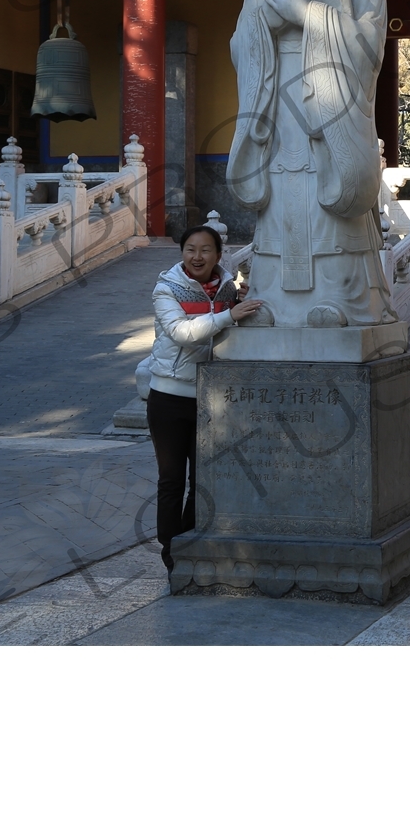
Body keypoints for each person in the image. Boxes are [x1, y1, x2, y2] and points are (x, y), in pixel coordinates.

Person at [225, 0, 397, 330]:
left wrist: (305, 14)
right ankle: (270, 302)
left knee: (331, 213)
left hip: (331, 113)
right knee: (281, 202)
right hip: (278, 116)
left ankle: (343, 301)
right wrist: (266, 23)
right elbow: (240, 45)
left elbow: (369, 49)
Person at [144, 224, 266, 572]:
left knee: (203, 480)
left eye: (205, 250)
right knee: (171, 478)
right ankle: (170, 549)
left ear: (218, 253)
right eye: (190, 250)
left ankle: (191, 543)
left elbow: (227, 330)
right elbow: (182, 332)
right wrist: (228, 314)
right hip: (169, 395)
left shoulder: (228, 288)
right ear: (182, 253)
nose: (197, 257)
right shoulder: (166, 288)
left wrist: (236, 308)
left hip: (212, 398)